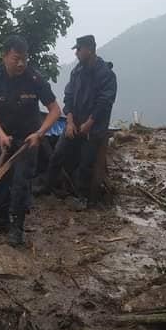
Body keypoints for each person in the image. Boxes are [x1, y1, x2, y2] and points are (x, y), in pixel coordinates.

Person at [0, 35, 62, 246]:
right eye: (16, 58)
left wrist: (39, 134)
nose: (21, 63)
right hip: (2, 138)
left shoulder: (34, 79)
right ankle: (1, 219)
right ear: (4, 55)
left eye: (24, 58)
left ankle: (17, 227)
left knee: (21, 183)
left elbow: (54, 110)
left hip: (28, 140)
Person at [46, 35, 117, 209]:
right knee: (58, 154)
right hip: (74, 123)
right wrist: (69, 122)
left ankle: (83, 198)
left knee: (86, 163)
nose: (76, 53)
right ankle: (48, 186)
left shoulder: (106, 74)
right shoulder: (76, 71)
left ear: (89, 49)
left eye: (79, 49)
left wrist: (89, 123)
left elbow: (104, 102)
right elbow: (68, 96)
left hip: (93, 128)